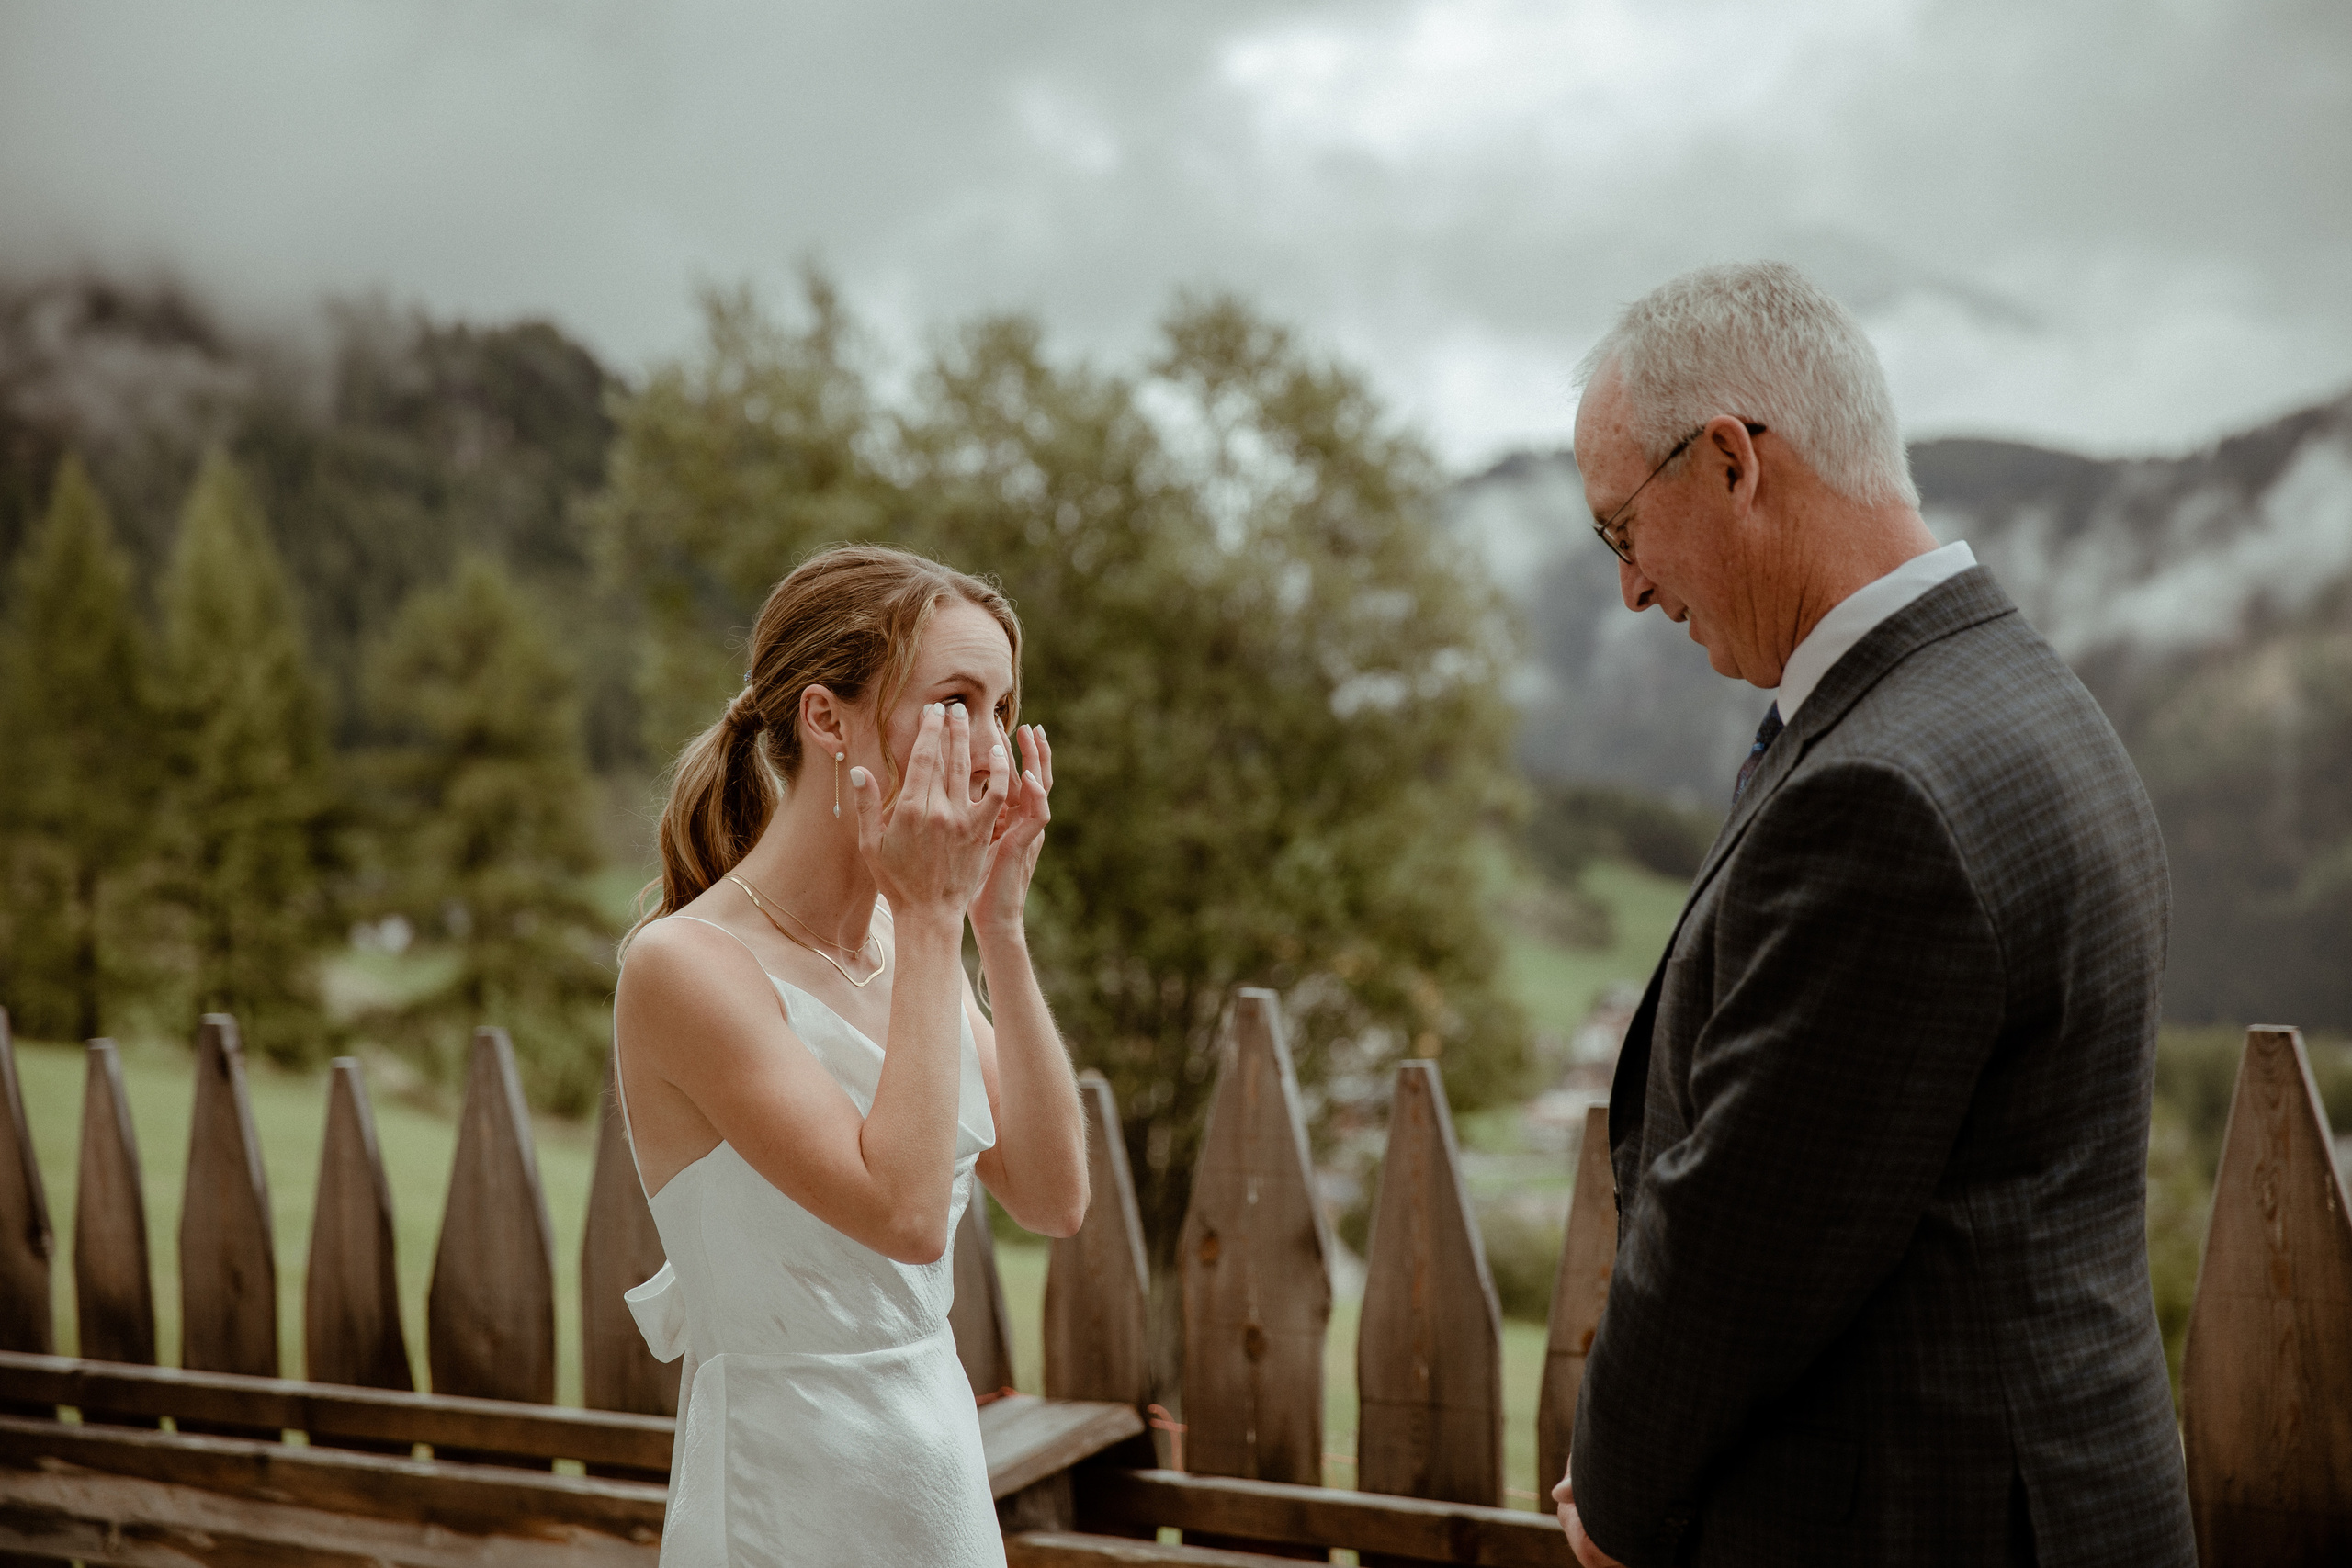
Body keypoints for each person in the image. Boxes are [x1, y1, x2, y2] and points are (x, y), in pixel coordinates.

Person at [1550, 265, 2195, 1567]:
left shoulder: (1883, 791)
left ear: (1731, 460)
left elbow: (1744, 1245)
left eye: (1623, 530)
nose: (1629, 590)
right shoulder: (2020, 693)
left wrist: (1612, 1498)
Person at [612, 544, 1088, 1567]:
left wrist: (996, 926)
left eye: (1004, 708)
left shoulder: (902, 945)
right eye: (957, 700)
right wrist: (931, 919)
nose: (992, 749)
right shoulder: (685, 967)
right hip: (786, 1486)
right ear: (826, 719)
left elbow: (1052, 1197)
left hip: (936, 1469)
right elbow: (908, 1218)